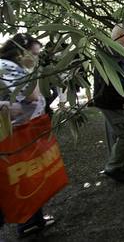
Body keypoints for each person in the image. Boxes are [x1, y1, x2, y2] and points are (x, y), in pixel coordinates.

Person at [0, 33, 55, 238]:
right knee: (24, 176)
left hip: (22, 127)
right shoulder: (8, 67)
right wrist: (35, 72)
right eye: (34, 54)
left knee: (28, 174)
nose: (36, 58)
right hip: (15, 131)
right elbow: (33, 95)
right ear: (20, 52)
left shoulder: (12, 66)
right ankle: (29, 222)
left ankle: (34, 220)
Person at [93, 24, 124, 183]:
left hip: (110, 101)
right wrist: (123, 99)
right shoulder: (111, 53)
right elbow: (111, 82)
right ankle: (113, 167)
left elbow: (123, 76)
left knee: (115, 134)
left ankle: (119, 166)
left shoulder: (113, 51)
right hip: (112, 102)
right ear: (120, 36)